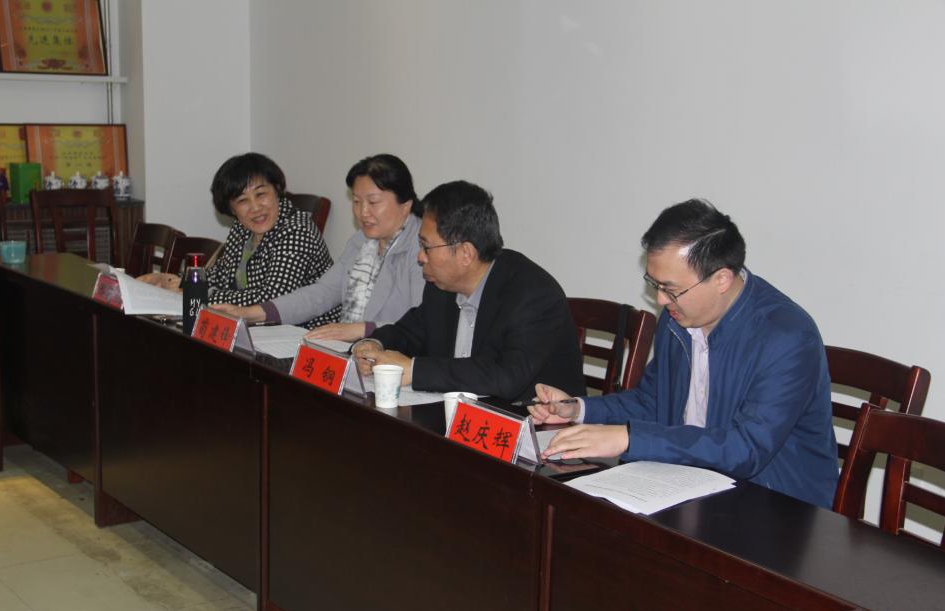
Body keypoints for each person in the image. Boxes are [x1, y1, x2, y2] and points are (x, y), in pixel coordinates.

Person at [529, 199, 838, 508]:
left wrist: (631, 438)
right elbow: (652, 401)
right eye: (654, 284)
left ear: (721, 279)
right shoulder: (678, 319)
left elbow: (746, 449)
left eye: (671, 289)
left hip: (776, 506)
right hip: (691, 484)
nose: (661, 300)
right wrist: (578, 409)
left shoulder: (786, 338)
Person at [352, 180, 585, 403]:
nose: (420, 257)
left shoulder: (533, 295)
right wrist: (374, 344)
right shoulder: (441, 286)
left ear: (466, 253)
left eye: (426, 247)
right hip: (457, 415)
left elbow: (505, 377)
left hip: (533, 421)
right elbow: (409, 332)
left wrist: (414, 370)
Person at [210, 154, 424, 341]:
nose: (363, 212)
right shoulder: (361, 241)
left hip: (394, 357)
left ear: (405, 205)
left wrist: (360, 330)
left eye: (373, 202)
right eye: (357, 202)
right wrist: (251, 313)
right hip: (354, 348)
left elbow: (422, 323)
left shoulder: (422, 250)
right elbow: (323, 292)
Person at [141, 152, 338, 328]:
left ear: (277, 190)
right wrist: (175, 281)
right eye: (242, 200)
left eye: (261, 194)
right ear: (231, 209)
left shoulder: (297, 229)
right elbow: (218, 275)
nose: (255, 208)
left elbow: (271, 299)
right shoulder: (242, 228)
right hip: (257, 329)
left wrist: (197, 293)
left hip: (306, 333)